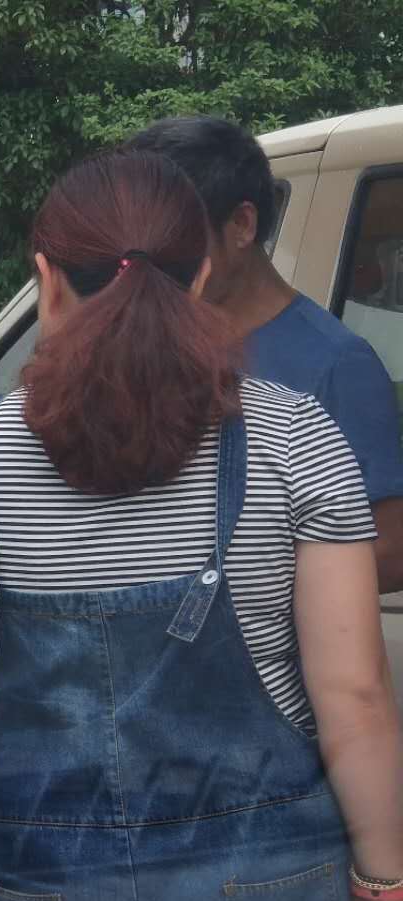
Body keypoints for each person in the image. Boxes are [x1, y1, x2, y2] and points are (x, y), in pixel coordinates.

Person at [0, 150, 403, 901]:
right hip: (268, 891)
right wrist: (386, 888)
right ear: (204, 273)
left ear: (46, 280)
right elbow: (355, 695)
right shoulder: (296, 436)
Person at [129, 116, 403, 593]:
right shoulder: (145, 342)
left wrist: (229, 583)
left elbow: (392, 550)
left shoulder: (337, 366)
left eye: (173, 235)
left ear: (241, 224)